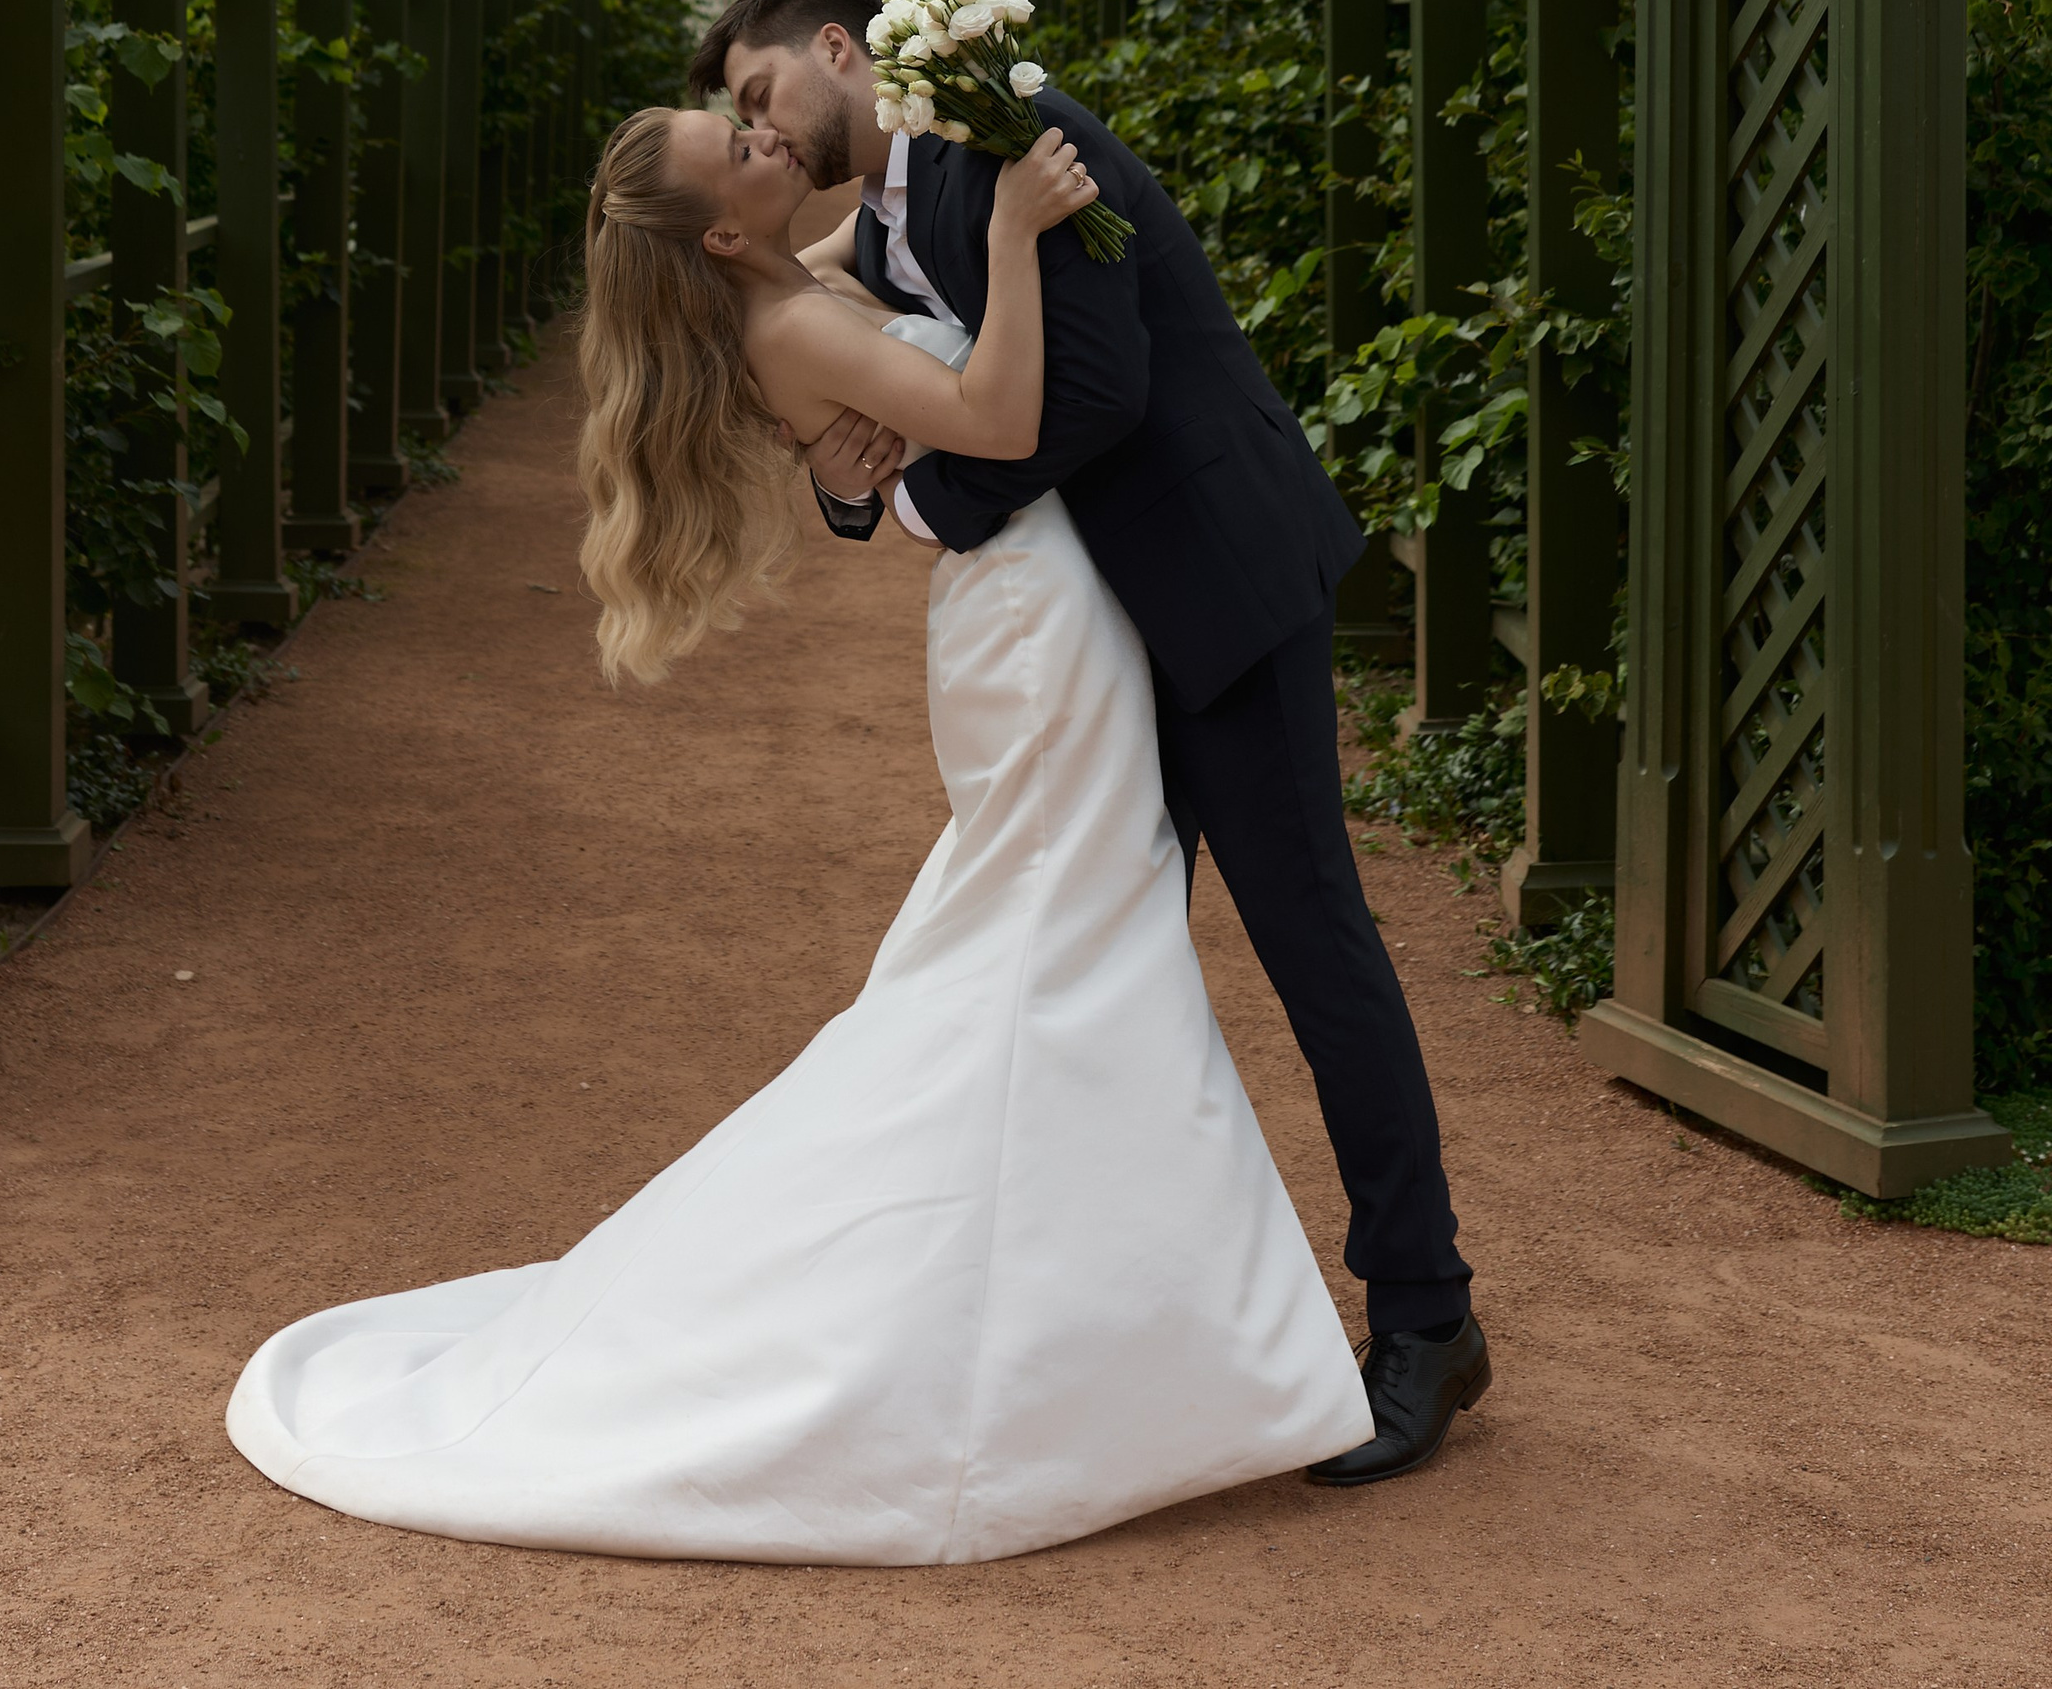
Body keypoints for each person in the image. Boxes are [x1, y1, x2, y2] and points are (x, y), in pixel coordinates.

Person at [227, 97, 1377, 1562]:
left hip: (1050, 606)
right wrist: (1015, 235)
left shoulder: (791, 278)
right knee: (1058, 932)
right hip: (1034, 624)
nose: (767, 135)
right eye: (740, 149)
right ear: (720, 232)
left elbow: (864, 251)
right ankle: (1096, 1330)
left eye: (748, 116)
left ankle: (1109, 1313)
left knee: (1062, 933)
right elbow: (1000, 421)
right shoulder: (791, 324)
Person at [699, 0, 1488, 1491]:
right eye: (741, 118)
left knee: (1313, 944)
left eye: (760, 93)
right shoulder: (900, 198)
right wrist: (845, 477)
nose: (764, 128)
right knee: (1107, 969)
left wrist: (923, 499)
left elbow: (1106, 391)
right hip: (1107, 628)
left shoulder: (1006, 132)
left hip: (1219, 581)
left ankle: (1426, 1314)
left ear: (837, 47)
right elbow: (836, 333)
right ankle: (1128, 1333)